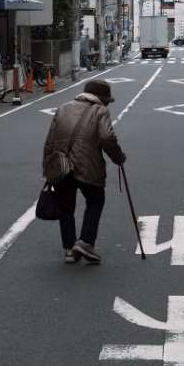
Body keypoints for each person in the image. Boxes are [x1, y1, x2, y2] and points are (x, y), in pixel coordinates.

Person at [42, 79, 126, 264]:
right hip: (88, 165)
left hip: (62, 166)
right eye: (106, 100)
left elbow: (50, 140)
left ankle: (70, 249)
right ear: (101, 98)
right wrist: (118, 158)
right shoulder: (100, 110)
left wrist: (47, 167)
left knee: (66, 207)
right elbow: (106, 137)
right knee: (95, 201)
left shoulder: (63, 108)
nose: (106, 103)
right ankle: (86, 241)